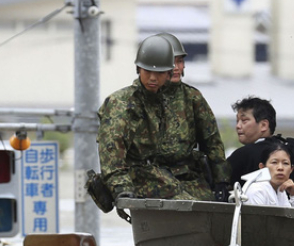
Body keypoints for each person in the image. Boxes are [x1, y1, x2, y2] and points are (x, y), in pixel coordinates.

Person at [98, 34, 201, 201]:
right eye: (148, 71)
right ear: (139, 69)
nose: (153, 78)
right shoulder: (122, 103)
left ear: (168, 74)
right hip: (135, 180)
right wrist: (122, 189)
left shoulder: (164, 101)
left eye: (159, 73)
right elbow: (112, 155)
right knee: (190, 208)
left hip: (163, 177)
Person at [157, 32, 232, 201]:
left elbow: (212, 142)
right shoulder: (141, 98)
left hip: (188, 176)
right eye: (171, 62)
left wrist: (221, 182)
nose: (176, 68)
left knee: (206, 210)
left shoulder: (192, 97)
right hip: (153, 179)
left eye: (180, 61)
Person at [227, 96, 294, 197]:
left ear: (263, 125)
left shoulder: (245, 154)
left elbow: (221, 184)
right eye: (237, 121)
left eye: (244, 120)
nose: (238, 126)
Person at [244, 143, 294, 208]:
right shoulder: (257, 190)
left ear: (291, 169)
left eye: (285, 163)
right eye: (274, 162)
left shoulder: (280, 190)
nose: (280, 168)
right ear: (262, 167)